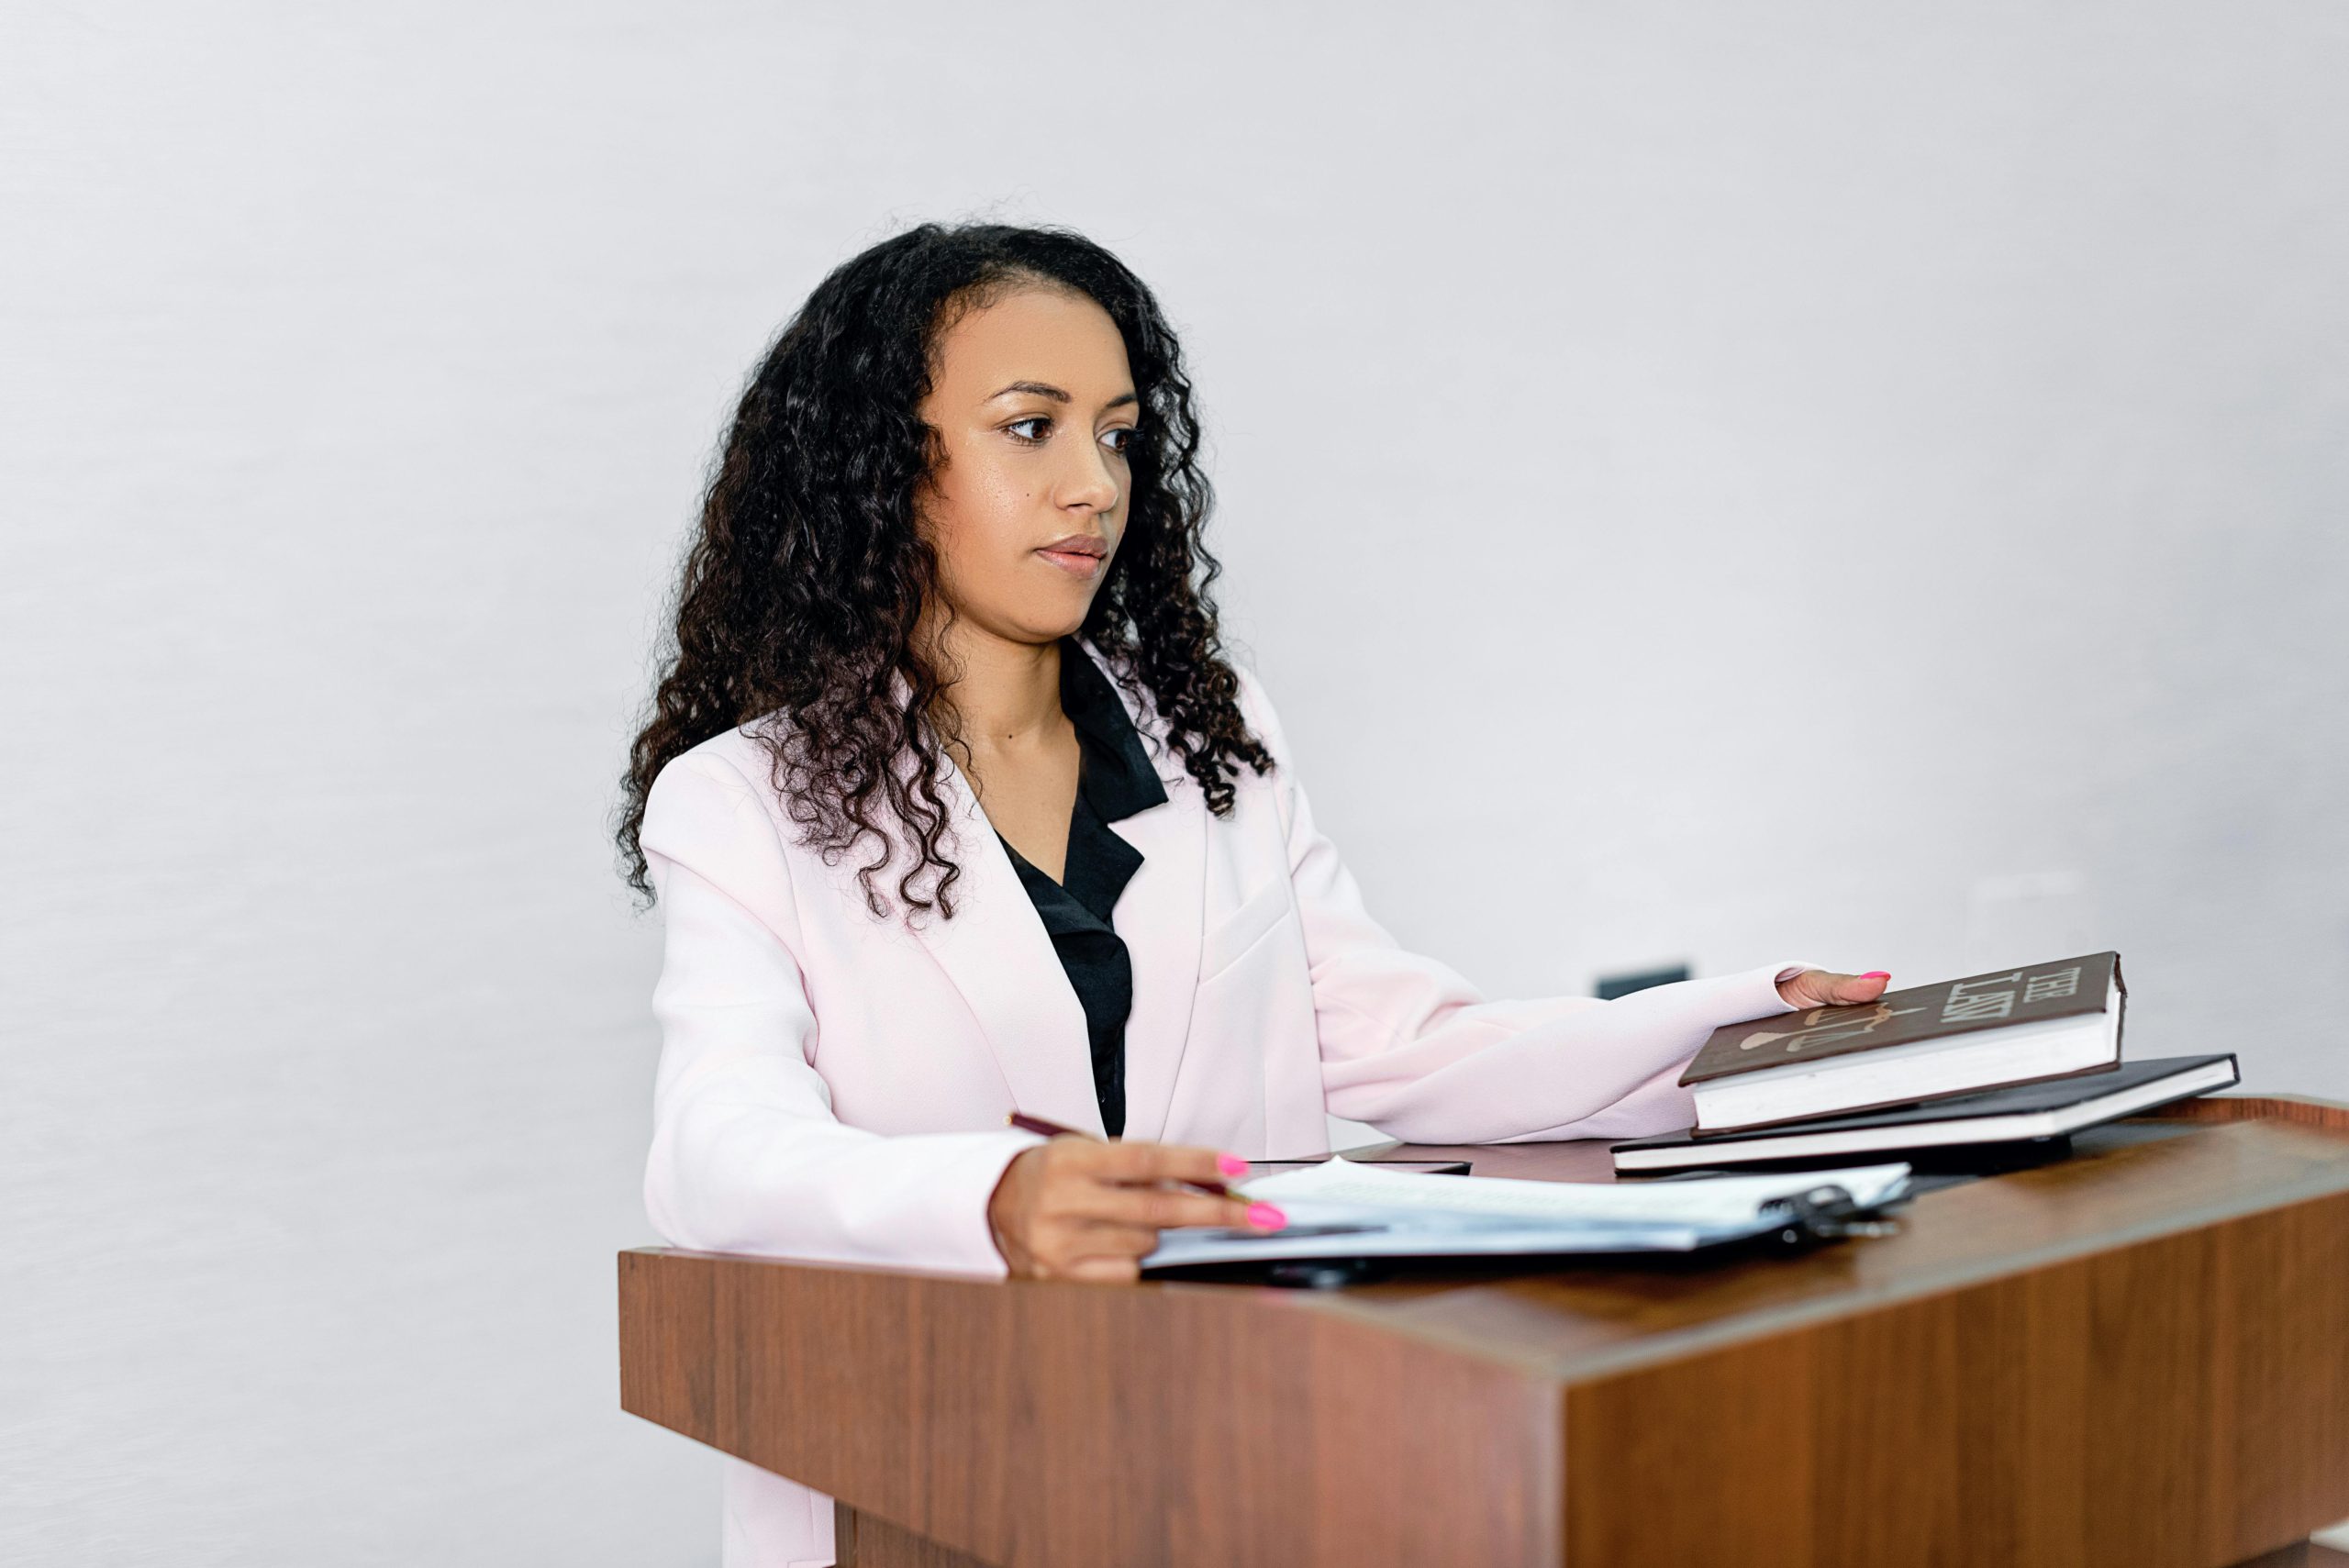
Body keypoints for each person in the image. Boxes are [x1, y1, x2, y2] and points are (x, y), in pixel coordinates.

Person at [615, 219, 1890, 1567]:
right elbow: (714, 1152)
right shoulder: (740, 799)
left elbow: (1407, 1044)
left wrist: (1750, 1028)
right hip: (931, 1478)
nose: (1093, 486)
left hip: (1234, 1458)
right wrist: (996, 1199)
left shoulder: (1214, 743)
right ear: (880, 464)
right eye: (1029, 427)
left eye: (1116, 434)